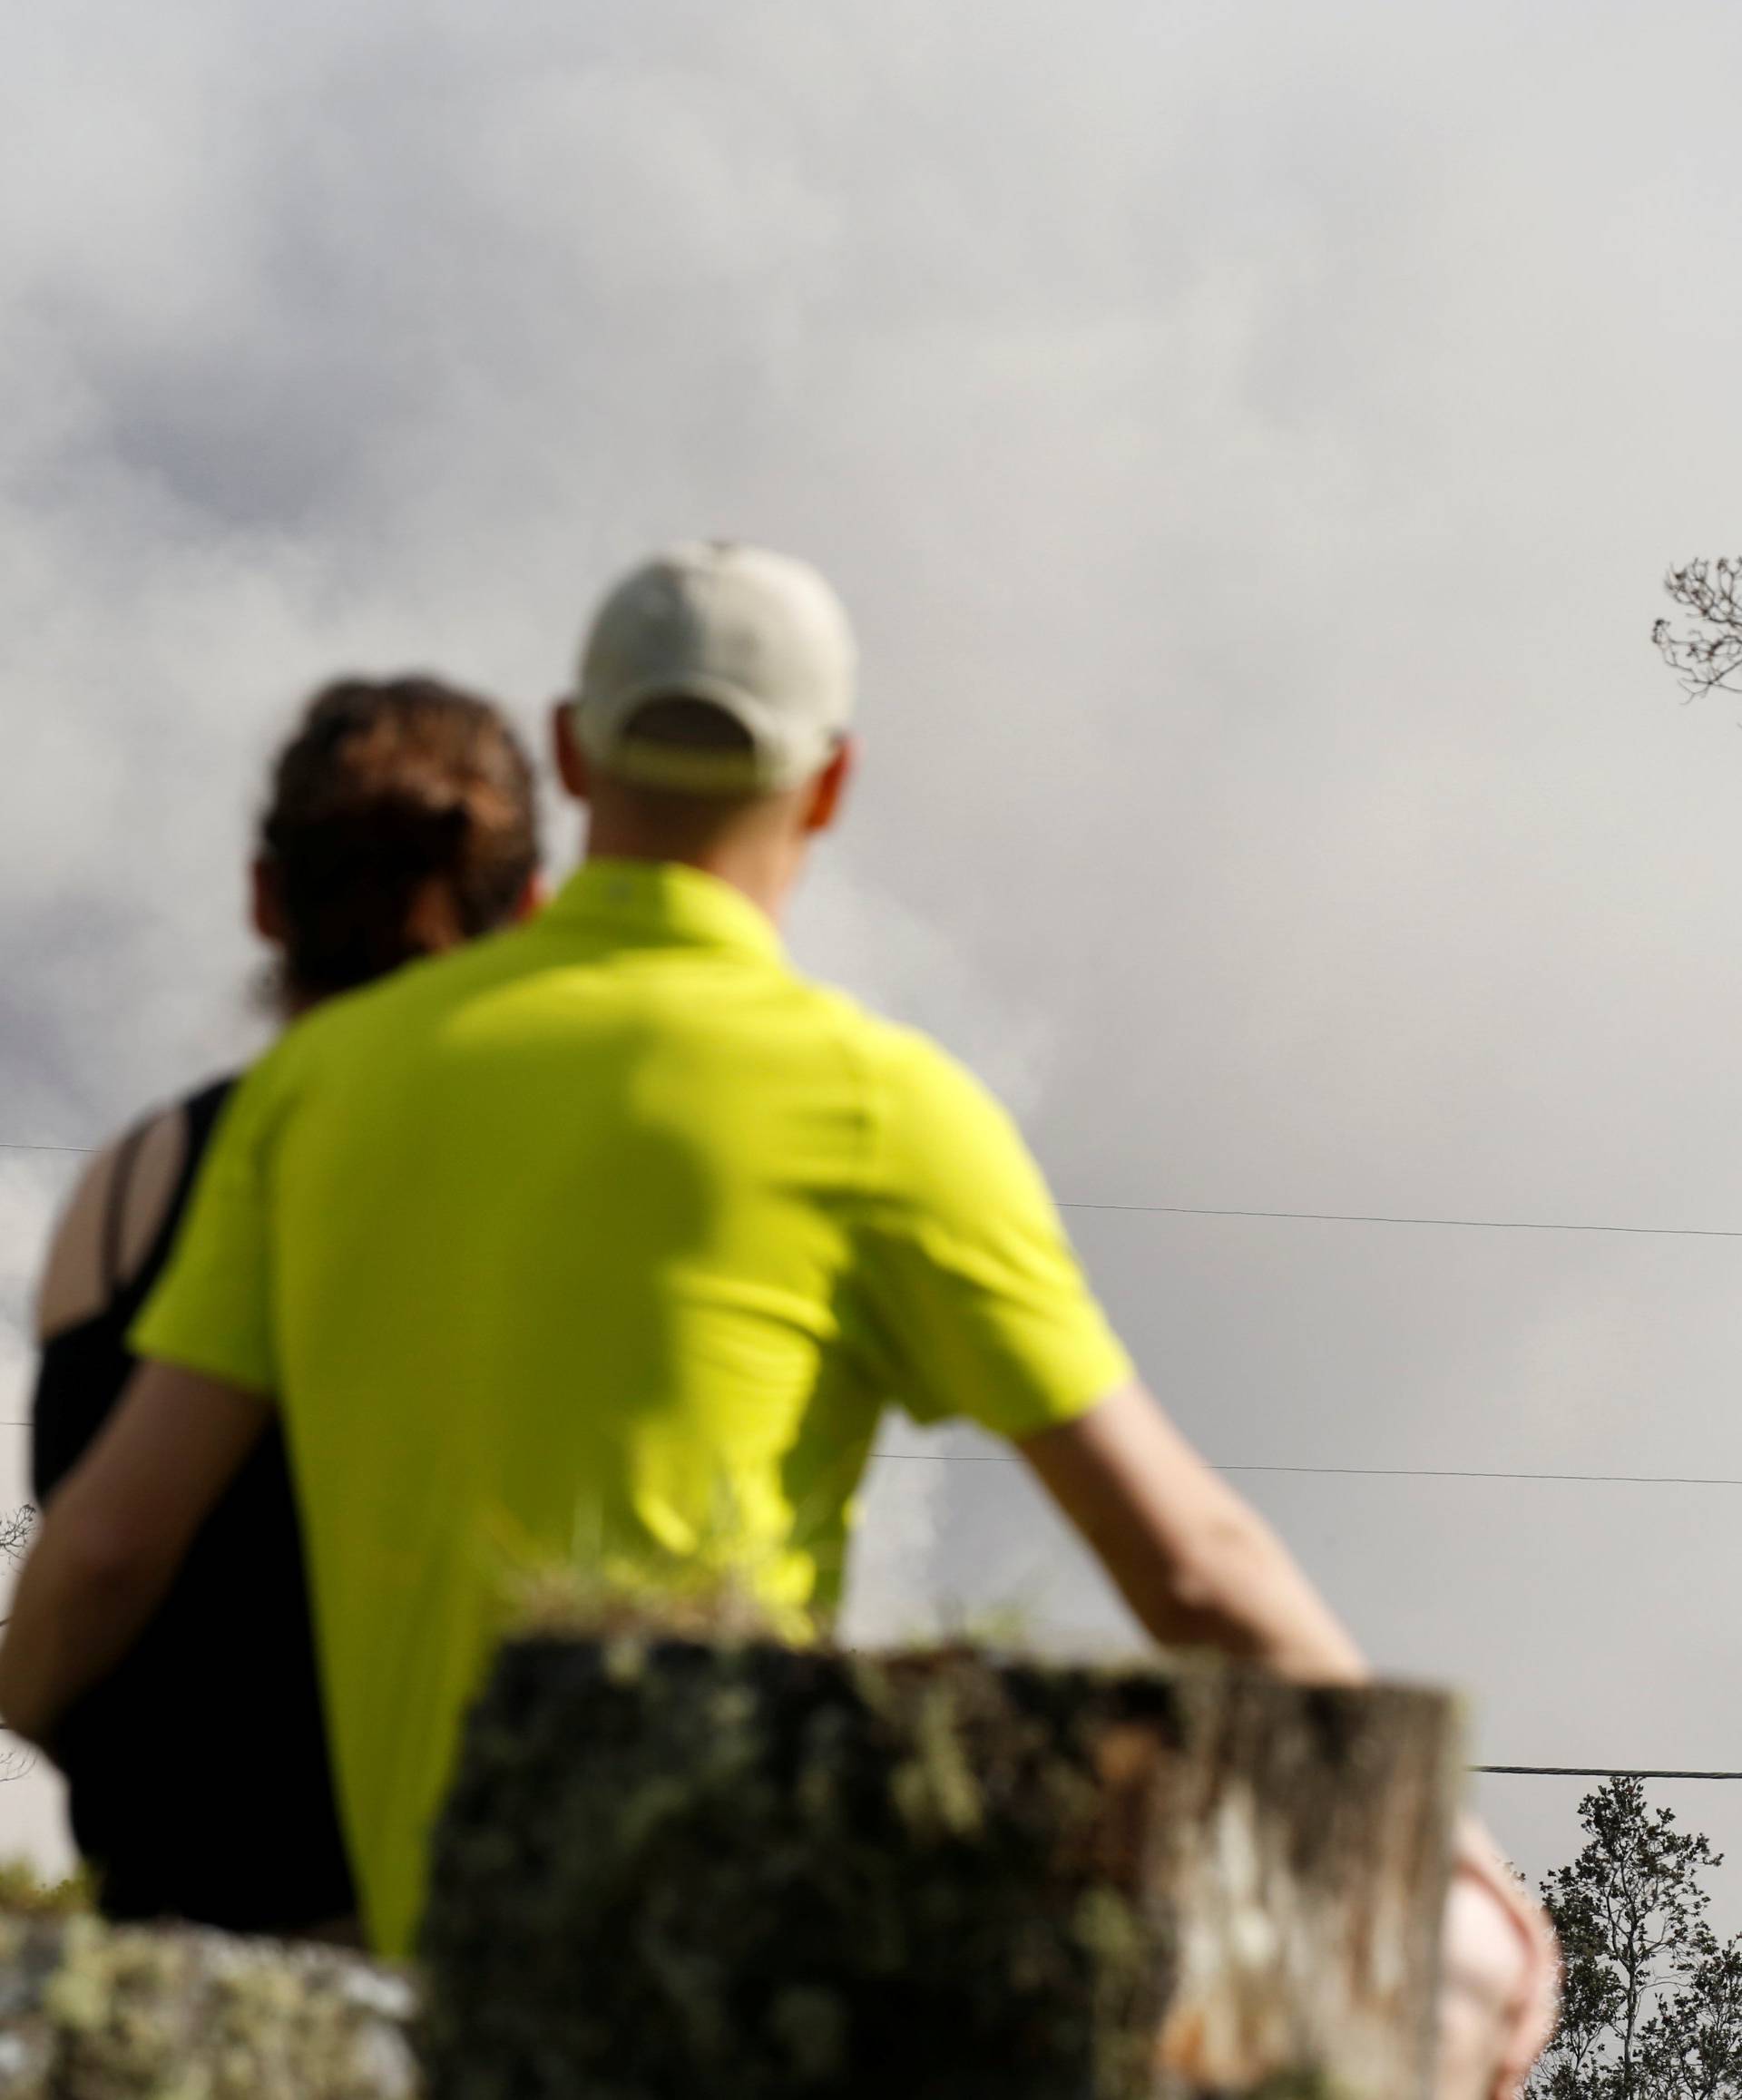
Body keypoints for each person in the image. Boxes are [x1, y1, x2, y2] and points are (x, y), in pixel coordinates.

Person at [0, 544, 1553, 2091]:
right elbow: (1191, 1560)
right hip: (715, 1991)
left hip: (432, 2000)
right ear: (828, 785)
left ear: (571, 748)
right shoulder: (884, 1109)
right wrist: (1460, 1859)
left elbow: (112, 1542)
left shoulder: (322, 1093)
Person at [25, 674, 541, 1936]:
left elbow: (96, 1548)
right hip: (459, 1920)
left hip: (177, 1930)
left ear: (265, 899)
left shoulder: (138, 1180)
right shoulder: (543, 1197)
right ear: (527, 910)